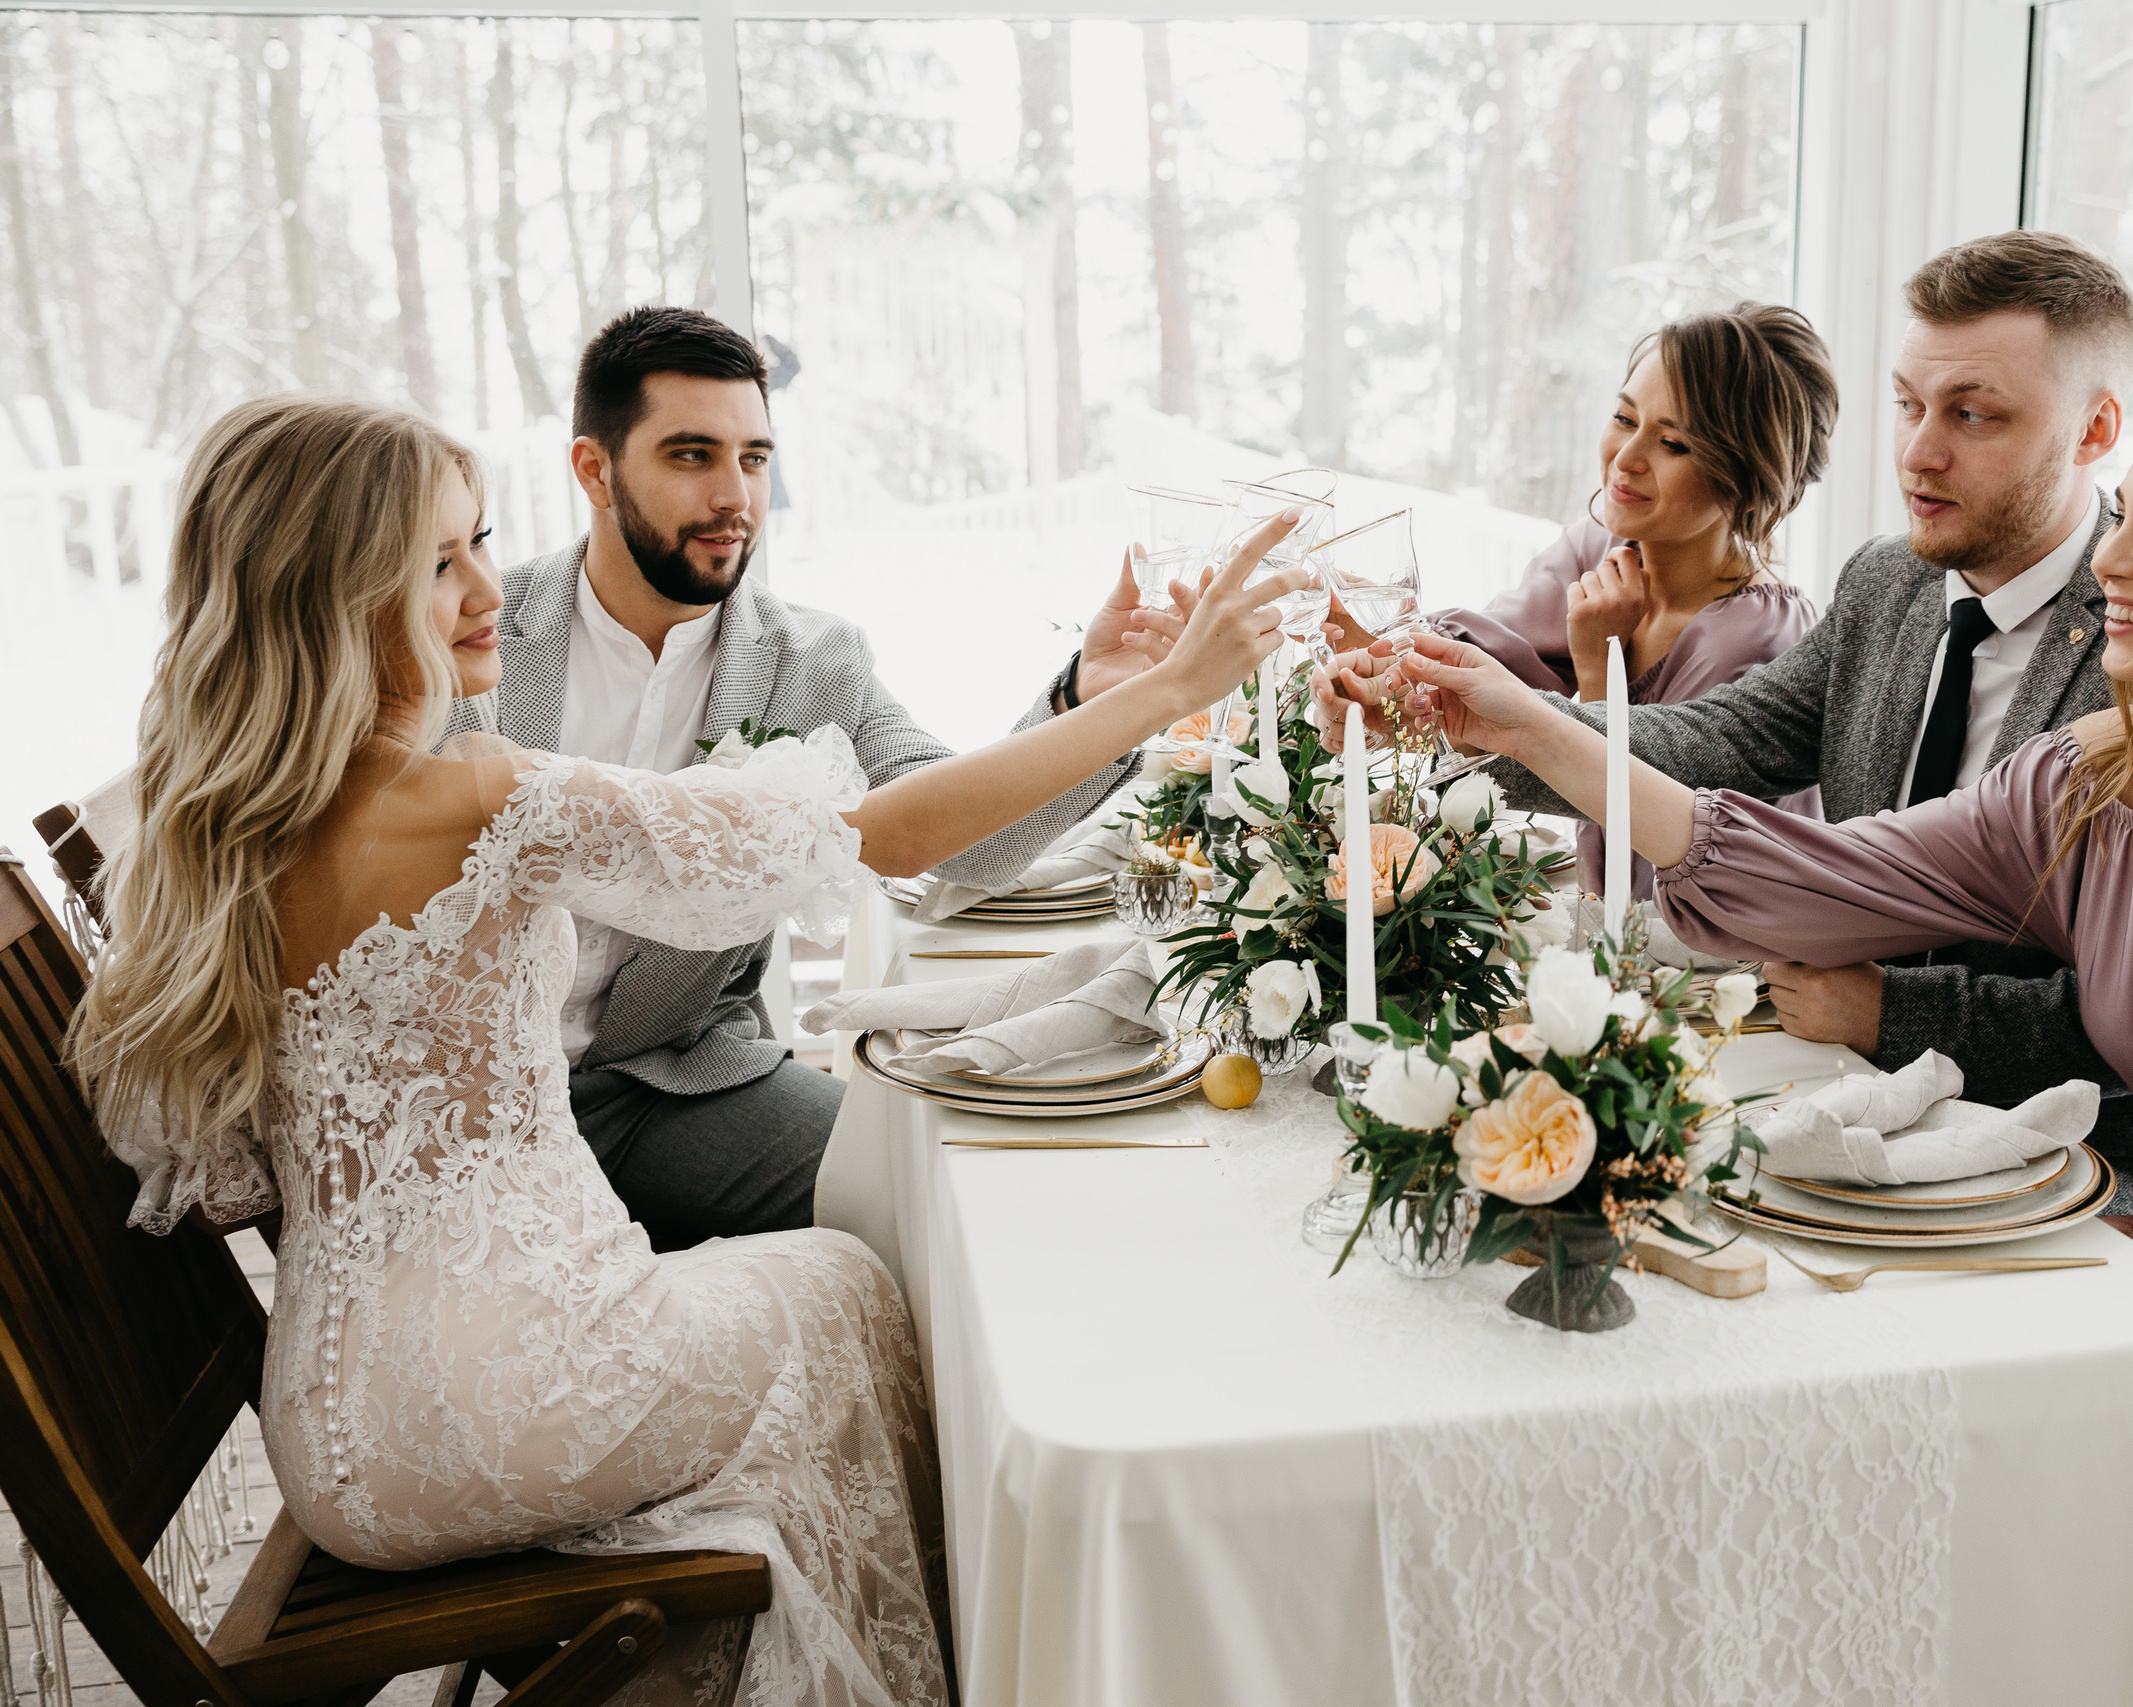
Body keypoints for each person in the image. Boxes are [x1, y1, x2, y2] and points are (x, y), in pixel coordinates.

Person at [69, 394, 1303, 1705]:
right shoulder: (474, 796)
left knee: (820, 1294)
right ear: (326, 591)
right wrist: (1172, 689)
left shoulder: (214, 828)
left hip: (329, 1423)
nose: (489, 583)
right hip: (476, 1400)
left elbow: (227, 1178)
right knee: (851, 1288)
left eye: (480, 539)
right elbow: (879, 838)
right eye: (437, 561)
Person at [1391, 372, 2133, 1707]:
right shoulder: (2097, 782)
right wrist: (1533, 722)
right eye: (2129, 519)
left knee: (1965, 1459)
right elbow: (1814, 876)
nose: (2111, 556)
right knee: (1877, 1414)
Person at [1322, 231, 2133, 1222]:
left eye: (1973, 414)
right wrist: (1498, 717)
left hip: (2081, 1180)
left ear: (2095, 430)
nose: (1919, 451)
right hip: (1845, 1112)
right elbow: (1723, 741)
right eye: (1909, 404)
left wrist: (1892, 1012)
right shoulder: (1890, 582)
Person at [445, 307, 1184, 1250]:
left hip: (670, 1086)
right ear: (594, 468)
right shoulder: (473, 625)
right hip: (468, 1102)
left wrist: (1089, 699)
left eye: (753, 458)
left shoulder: (815, 661)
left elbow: (965, 850)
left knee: (937, 1203)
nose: (735, 498)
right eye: (690, 456)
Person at [1329, 304, 1834, 904]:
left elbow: (1658, 872)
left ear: (1747, 479)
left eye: (1673, 443)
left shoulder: (1755, 643)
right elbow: (1480, 672)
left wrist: (1598, 672)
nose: (1627, 457)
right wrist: (1381, 660)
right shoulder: (1602, 546)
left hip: (1710, 970)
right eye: (1625, 417)